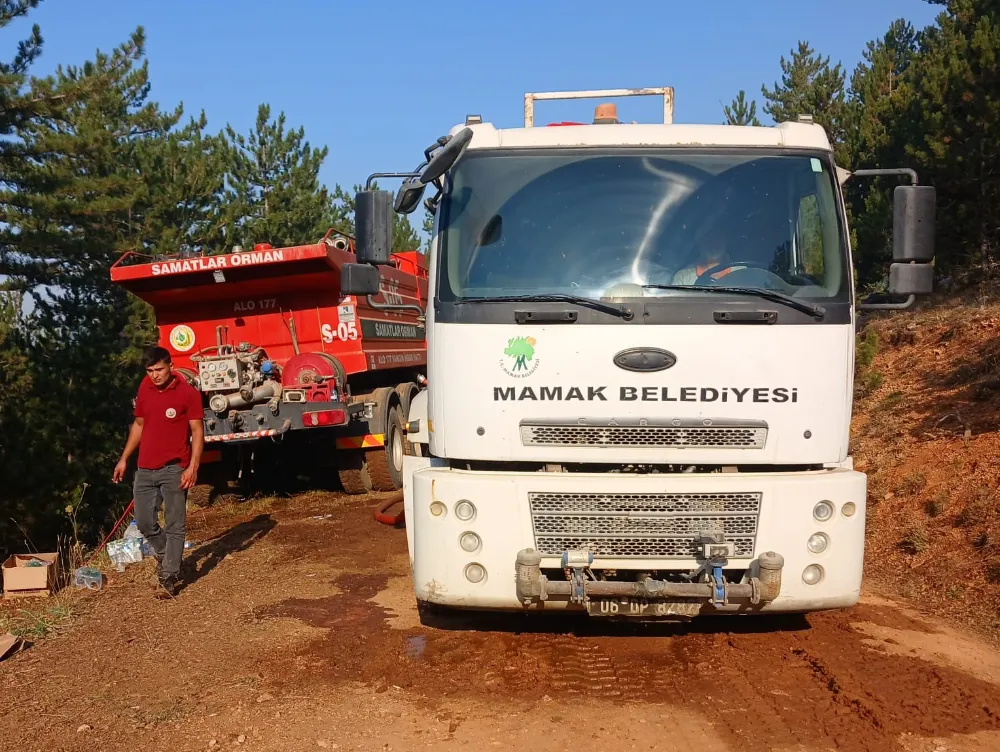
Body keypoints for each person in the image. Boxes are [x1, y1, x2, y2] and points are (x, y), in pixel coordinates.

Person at [113, 346, 204, 597]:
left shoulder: (188, 394)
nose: (155, 375)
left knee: (175, 523)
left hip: (175, 468)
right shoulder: (145, 387)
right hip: (145, 468)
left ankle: (169, 575)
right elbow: (139, 424)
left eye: (159, 370)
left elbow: (197, 432)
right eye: (150, 371)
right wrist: (124, 459)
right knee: (144, 522)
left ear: (171, 366)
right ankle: (169, 557)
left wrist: (193, 466)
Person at [671, 224, 740, 285]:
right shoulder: (683, 277)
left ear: (726, 241)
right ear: (699, 241)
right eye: (709, 236)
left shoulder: (742, 273)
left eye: (718, 236)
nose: (714, 242)